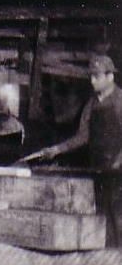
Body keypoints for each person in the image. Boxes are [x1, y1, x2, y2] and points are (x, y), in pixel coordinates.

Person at [24, 53, 122, 246]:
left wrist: (119, 161)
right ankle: (107, 263)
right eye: (91, 77)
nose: (93, 81)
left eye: (97, 76)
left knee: (119, 216)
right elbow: (82, 136)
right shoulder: (91, 103)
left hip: (118, 171)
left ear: (110, 77)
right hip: (99, 168)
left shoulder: (120, 101)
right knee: (102, 215)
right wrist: (57, 149)